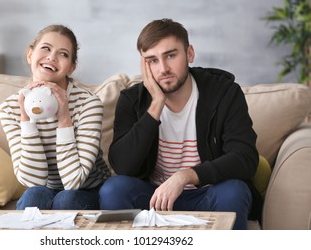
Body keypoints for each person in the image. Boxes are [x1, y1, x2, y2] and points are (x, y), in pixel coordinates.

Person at [99, 18, 261, 229]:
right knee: (114, 189)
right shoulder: (132, 100)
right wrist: (156, 105)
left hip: (209, 194)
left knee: (234, 190)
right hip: (154, 197)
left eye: (171, 55)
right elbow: (122, 165)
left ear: (189, 53)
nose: (163, 68)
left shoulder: (224, 92)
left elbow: (245, 158)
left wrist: (185, 176)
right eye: (152, 60)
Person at [0, 24, 111, 210]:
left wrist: (64, 117)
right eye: (46, 48)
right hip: (45, 189)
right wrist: (27, 120)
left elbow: (73, 181)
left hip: (86, 190)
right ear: (30, 55)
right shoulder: (10, 108)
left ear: (71, 68)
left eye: (63, 54)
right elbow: (33, 180)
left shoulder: (88, 104)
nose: (52, 57)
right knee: (35, 196)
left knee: (66, 199)